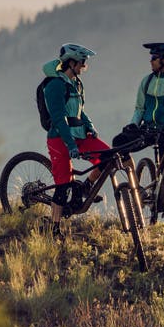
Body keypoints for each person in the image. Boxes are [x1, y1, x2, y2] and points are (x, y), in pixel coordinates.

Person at [41, 43, 107, 230]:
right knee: (63, 185)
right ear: (71, 63)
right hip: (59, 138)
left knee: (107, 157)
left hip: (79, 134)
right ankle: (54, 228)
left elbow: (80, 112)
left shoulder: (76, 83)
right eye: (82, 62)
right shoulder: (55, 85)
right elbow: (59, 119)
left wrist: (90, 126)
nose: (84, 66)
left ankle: (84, 187)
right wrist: (70, 145)